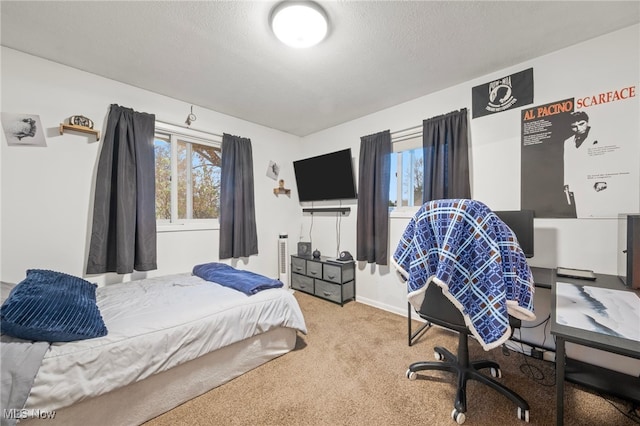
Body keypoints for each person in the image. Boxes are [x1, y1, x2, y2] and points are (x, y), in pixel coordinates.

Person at [563, 111, 603, 218]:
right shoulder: (568, 142)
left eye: (581, 124)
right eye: (574, 126)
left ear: (587, 122)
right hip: (577, 184)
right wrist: (567, 184)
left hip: (596, 182)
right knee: (581, 214)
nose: (579, 128)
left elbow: (606, 159)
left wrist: (603, 180)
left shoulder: (600, 135)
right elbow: (567, 162)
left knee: (599, 214)